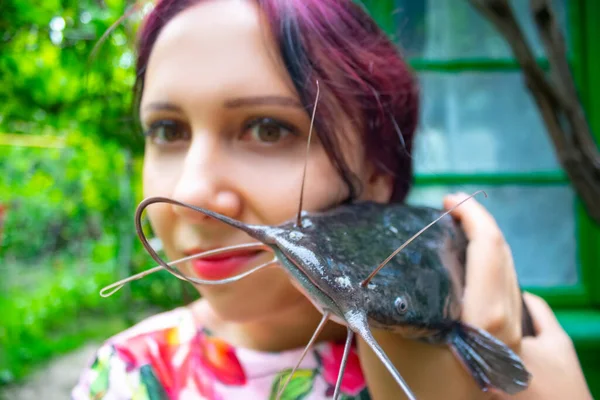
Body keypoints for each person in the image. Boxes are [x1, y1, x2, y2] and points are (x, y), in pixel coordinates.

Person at [71, 0, 592, 399]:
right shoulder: (122, 374)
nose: (188, 193)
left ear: (380, 172)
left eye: (269, 128)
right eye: (166, 129)